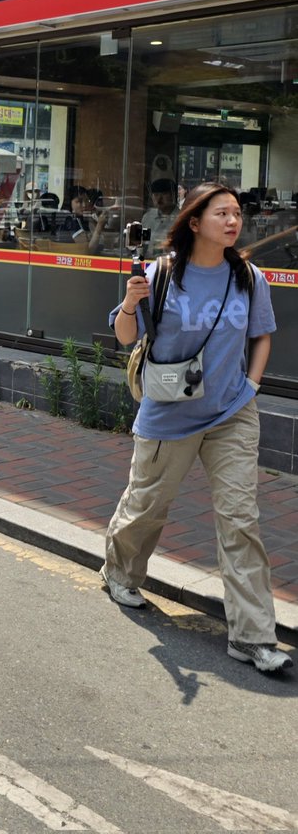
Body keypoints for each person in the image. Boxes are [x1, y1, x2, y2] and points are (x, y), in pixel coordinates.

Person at [102, 182, 292, 674]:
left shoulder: (248, 276)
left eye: (236, 214)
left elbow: (261, 334)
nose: (233, 222)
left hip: (231, 414)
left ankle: (252, 636)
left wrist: (250, 386)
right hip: (170, 415)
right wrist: (129, 302)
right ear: (193, 221)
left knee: (240, 519)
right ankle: (120, 571)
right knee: (147, 505)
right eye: (221, 213)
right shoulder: (161, 274)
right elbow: (126, 336)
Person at [141, 177, 180, 253]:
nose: (159, 198)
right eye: (156, 195)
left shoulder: (181, 218)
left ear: (173, 195)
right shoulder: (148, 217)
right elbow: (143, 242)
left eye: (164, 194)